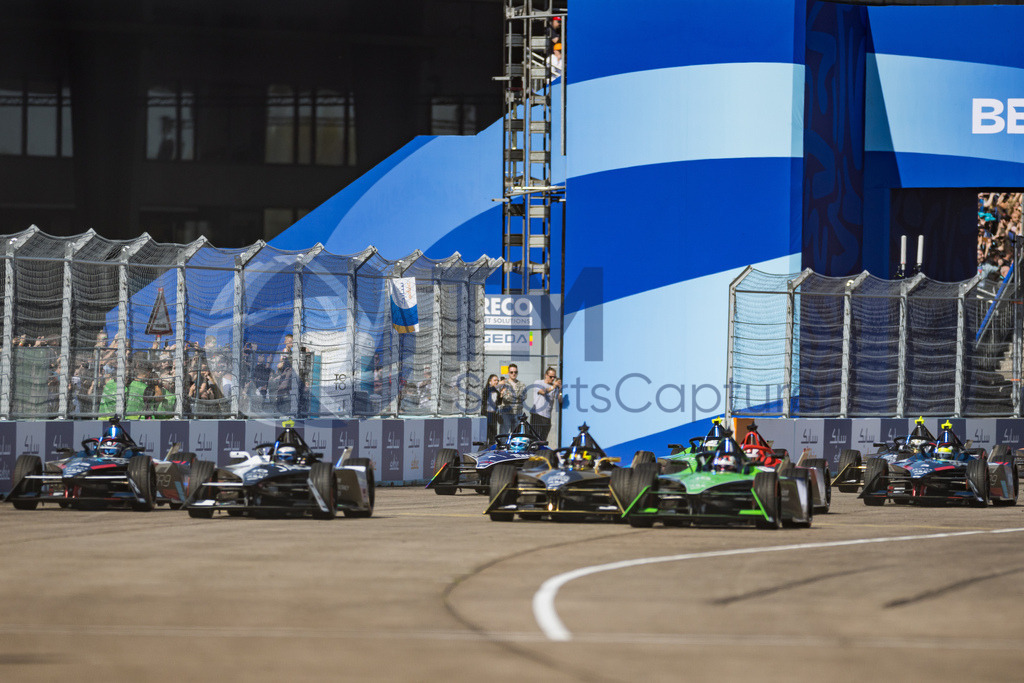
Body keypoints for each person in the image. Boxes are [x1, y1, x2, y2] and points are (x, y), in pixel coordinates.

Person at [529, 366, 561, 441]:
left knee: (543, 439)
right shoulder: (538, 382)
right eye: (550, 377)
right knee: (535, 438)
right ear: (546, 375)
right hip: (537, 415)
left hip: (547, 416)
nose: (552, 379)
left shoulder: (554, 387)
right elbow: (543, 392)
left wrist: (560, 389)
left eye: (554, 377)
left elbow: (560, 400)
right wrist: (553, 386)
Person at [497, 363, 526, 435]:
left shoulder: (521, 384)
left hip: (518, 412)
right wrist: (516, 396)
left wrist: (510, 395)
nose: (514, 374)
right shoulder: (504, 383)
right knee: (504, 434)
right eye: (511, 372)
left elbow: (523, 397)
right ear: (508, 373)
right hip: (506, 413)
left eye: (515, 372)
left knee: (516, 435)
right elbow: (505, 398)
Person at [482, 374, 501, 444]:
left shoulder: (496, 392)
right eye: (495, 380)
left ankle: (492, 446)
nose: (496, 382)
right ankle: (484, 447)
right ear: (490, 381)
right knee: (485, 433)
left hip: (493, 414)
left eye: (497, 380)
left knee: (493, 434)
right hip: (486, 413)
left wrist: (501, 395)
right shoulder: (487, 390)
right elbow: (485, 396)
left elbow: (498, 403)